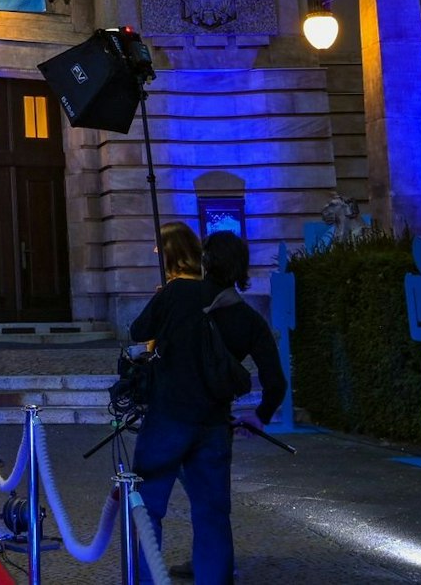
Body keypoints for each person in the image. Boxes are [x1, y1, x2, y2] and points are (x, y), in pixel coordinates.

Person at [127, 230, 285, 584]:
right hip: (214, 425)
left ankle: (144, 578)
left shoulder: (176, 292)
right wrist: (258, 418)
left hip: (166, 417)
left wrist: (163, 306)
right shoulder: (249, 318)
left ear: (205, 261)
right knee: (212, 513)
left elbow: (138, 330)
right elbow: (275, 382)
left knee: (147, 508)